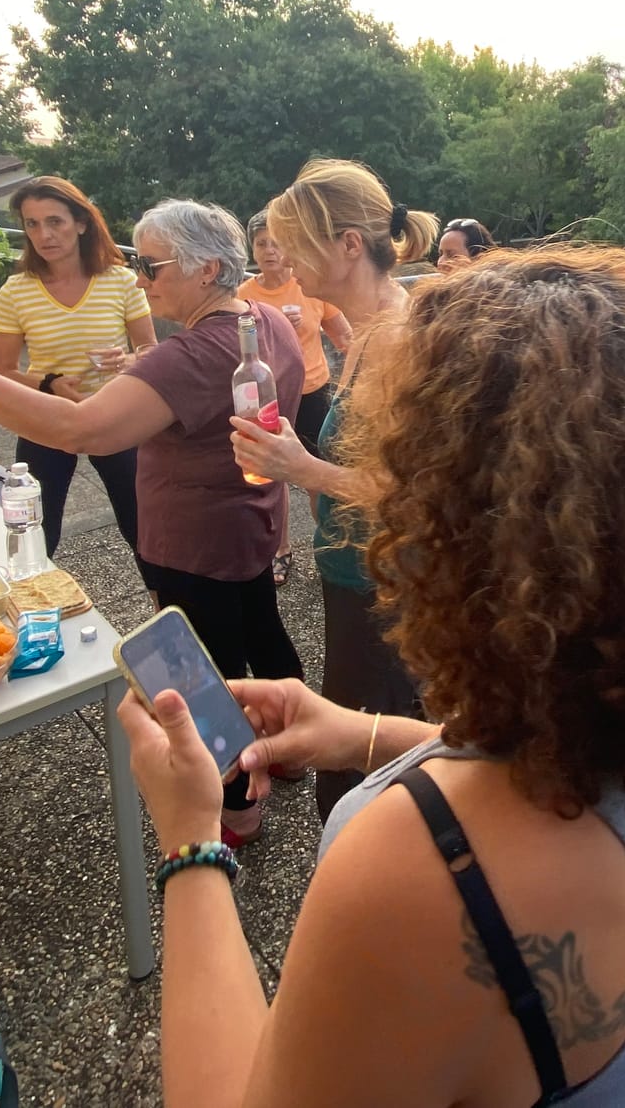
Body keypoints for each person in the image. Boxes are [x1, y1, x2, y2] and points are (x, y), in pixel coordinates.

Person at [120, 245, 625, 1108]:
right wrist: (367, 734)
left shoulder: (417, 869)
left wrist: (190, 839)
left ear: (454, 529)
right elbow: (579, 783)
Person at [0, 199, 302, 844]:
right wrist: (145, 379)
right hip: (250, 522)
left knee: (204, 677)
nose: (139, 277)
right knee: (262, 633)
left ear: (207, 268)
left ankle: (238, 805)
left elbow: (82, 430)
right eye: (136, 261)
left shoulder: (189, 354)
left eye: (151, 263)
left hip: (192, 541)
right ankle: (296, 745)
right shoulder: (263, 318)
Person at [229, 158, 439, 820]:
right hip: (356, 574)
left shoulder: (402, 340)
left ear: (349, 245)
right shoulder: (368, 330)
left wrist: (303, 468)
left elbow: (415, 494)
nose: (280, 255)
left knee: (353, 776)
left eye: (295, 241)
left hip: (384, 585)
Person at [0, 176, 157, 561]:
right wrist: (48, 384)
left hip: (115, 413)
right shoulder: (15, 291)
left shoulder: (120, 281)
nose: (44, 234)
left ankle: (165, 613)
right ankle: (32, 610)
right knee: (35, 532)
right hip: (47, 414)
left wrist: (128, 360)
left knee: (144, 528)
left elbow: (150, 351)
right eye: (32, 224)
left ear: (81, 223)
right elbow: (3, 371)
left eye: (55, 221)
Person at [237, 210, 353, 585]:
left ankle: (330, 541)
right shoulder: (244, 295)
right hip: (267, 396)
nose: (270, 252)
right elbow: (235, 350)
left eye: (276, 243)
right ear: (251, 249)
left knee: (318, 471)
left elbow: (345, 337)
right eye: (261, 244)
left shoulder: (311, 286)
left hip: (313, 388)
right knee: (271, 475)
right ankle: (281, 549)